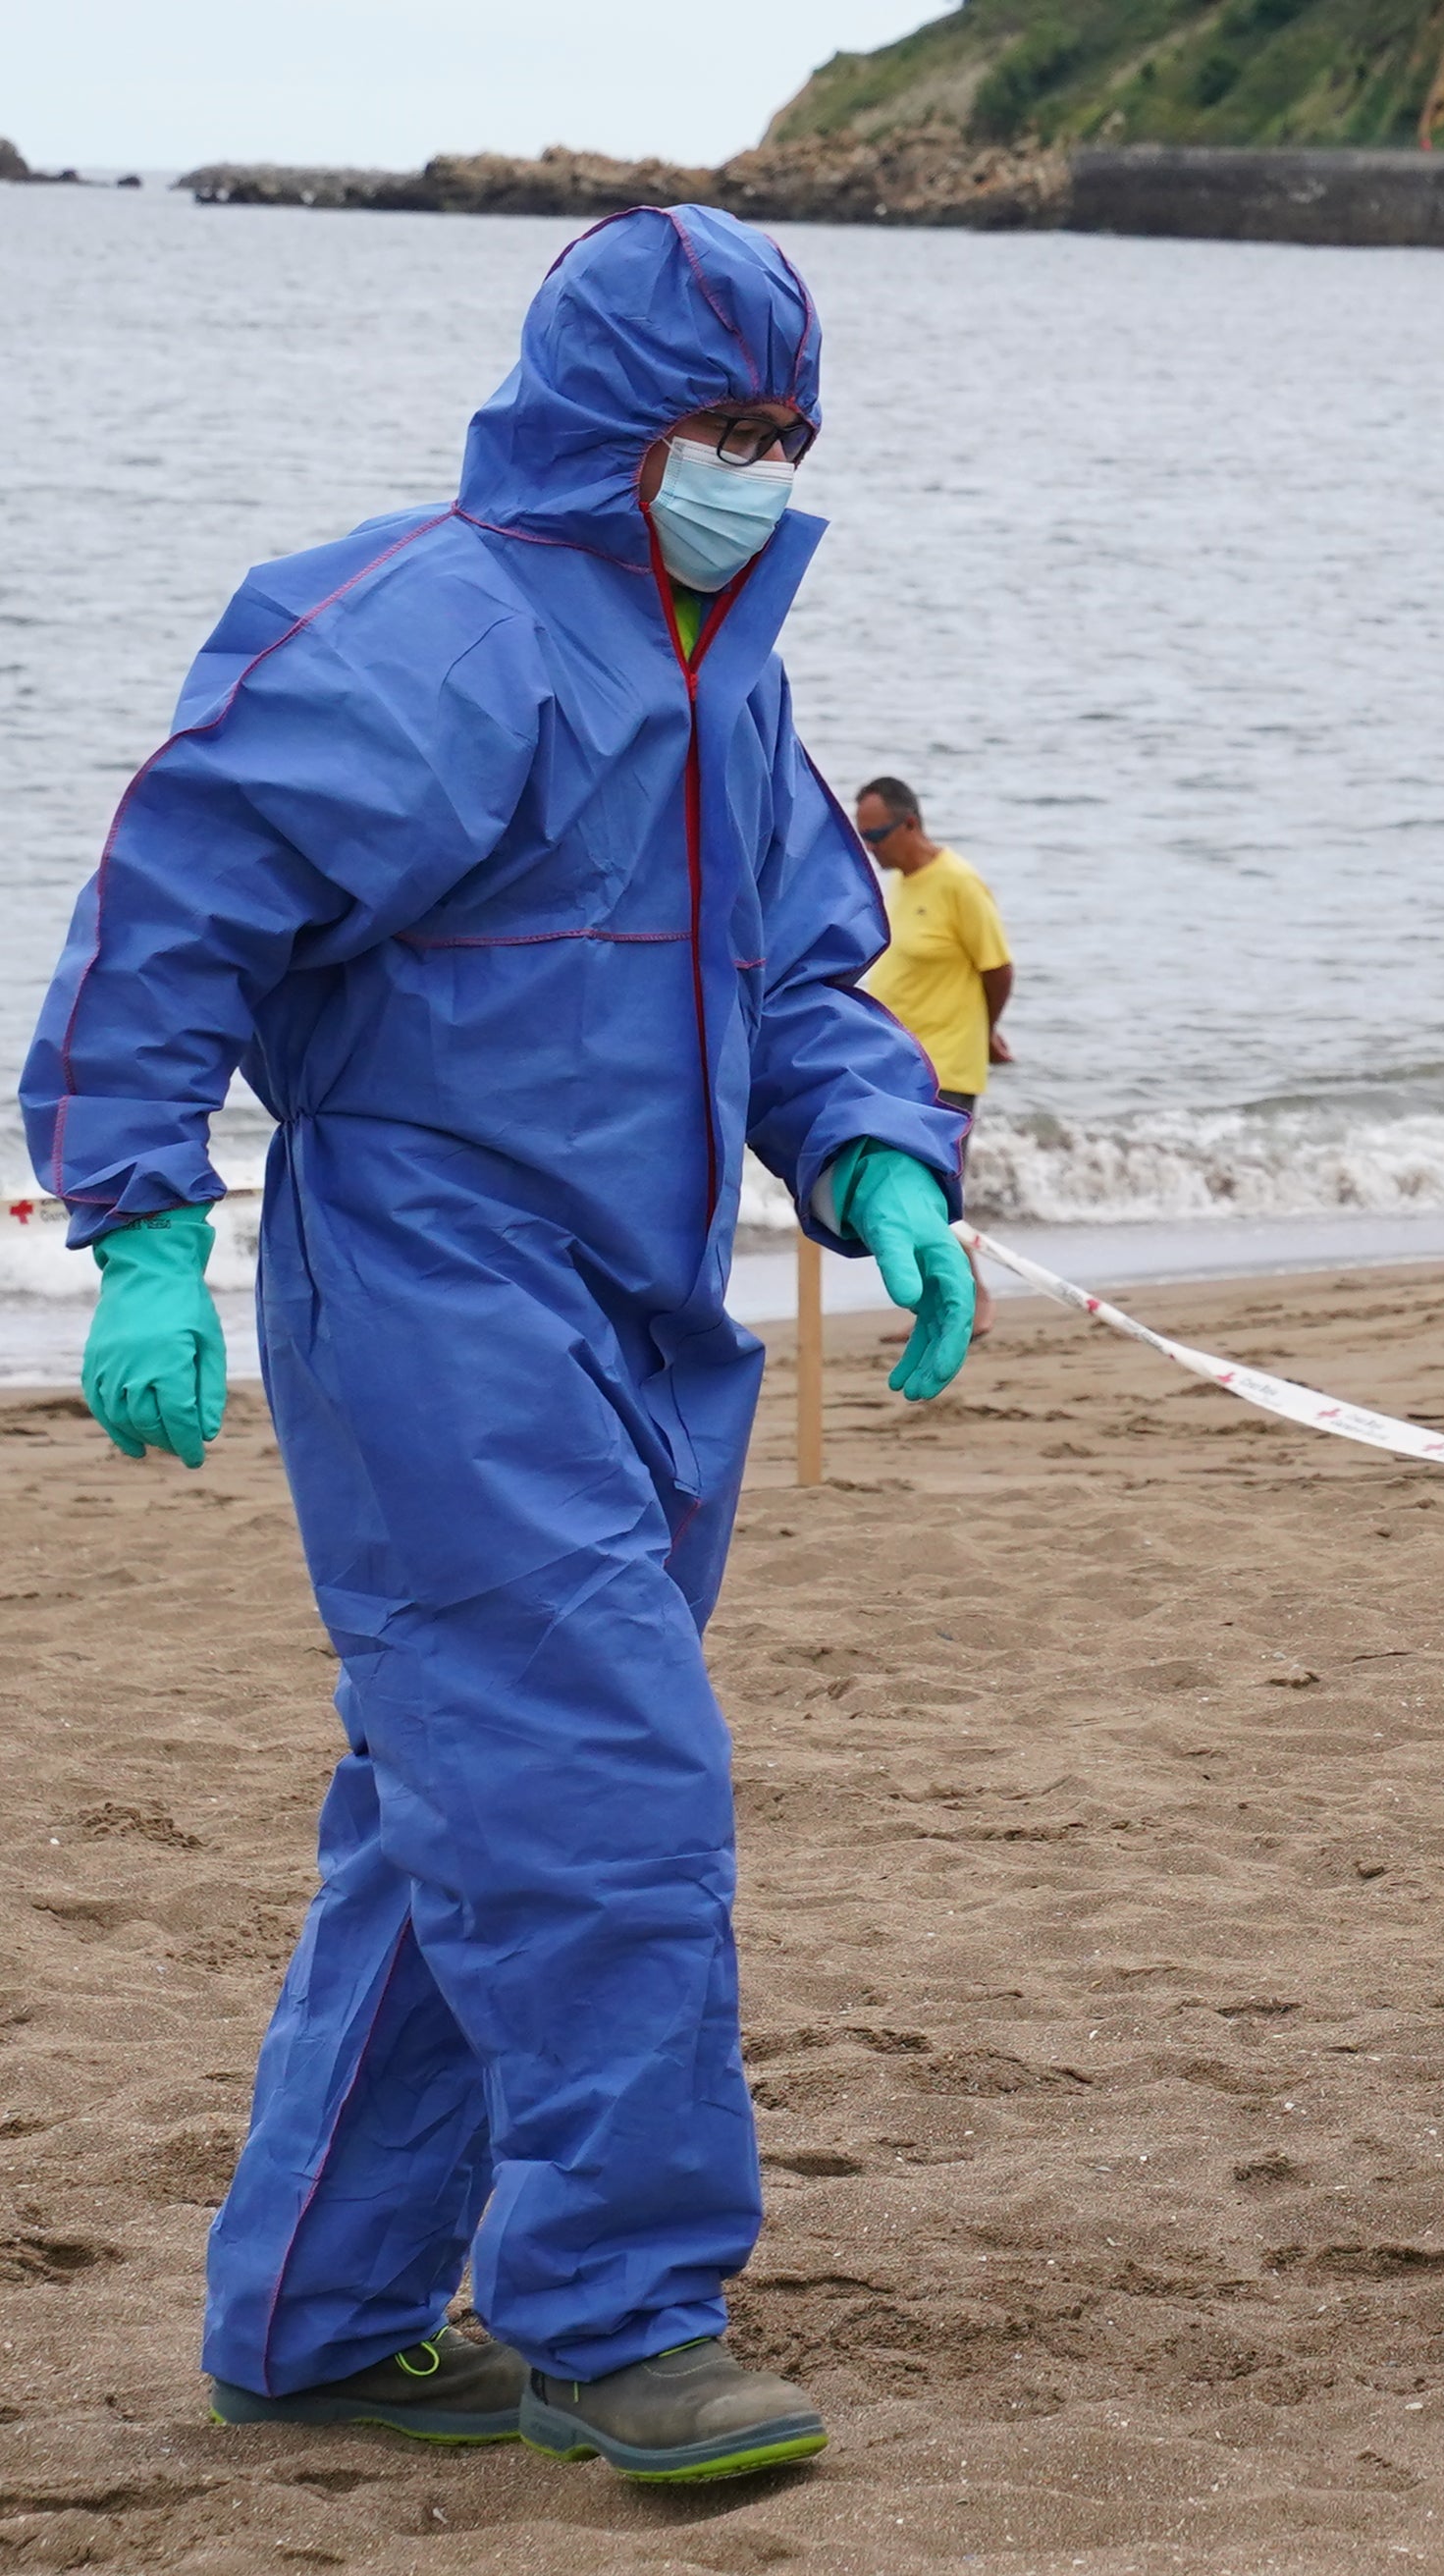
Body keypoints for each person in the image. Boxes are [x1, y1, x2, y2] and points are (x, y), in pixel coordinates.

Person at [23, 205, 976, 2483]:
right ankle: (617, 2308)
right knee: (601, 1794)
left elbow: (798, 985)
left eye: (784, 432)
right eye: (717, 427)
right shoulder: (404, 629)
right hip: (433, 1283)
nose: (753, 465)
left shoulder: (726, 679)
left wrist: (877, 1166)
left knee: (457, 1808)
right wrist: (144, 1228)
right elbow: (169, 917)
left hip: (652, 1309)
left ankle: (317, 2316)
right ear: (602, 418)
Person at [854, 776, 1013, 1333]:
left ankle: (976, 1302)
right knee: (910, 1185)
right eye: (862, 836)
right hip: (899, 1063)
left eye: (876, 834)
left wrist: (987, 1031)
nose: (870, 847)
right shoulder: (900, 885)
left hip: (947, 1064)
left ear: (911, 824)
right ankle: (942, 1303)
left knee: (934, 1182)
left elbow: (997, 968)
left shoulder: (958, 883)